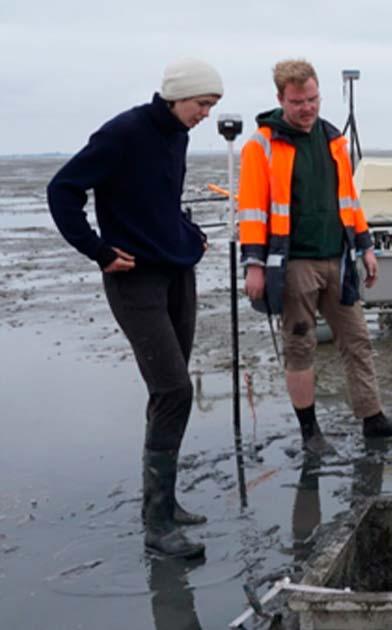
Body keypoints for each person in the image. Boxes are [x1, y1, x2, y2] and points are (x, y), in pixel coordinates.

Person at [46, 59, 224, 558]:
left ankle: (163, 502)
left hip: (176, 272)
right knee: (174, 389)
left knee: (168, 389)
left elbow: (161, 200)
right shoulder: (122, 132)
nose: (206, 115)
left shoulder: (178, 135)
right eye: (202, 104)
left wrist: (189, 234)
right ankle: (157, 526)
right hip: (133, 279)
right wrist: (97, 249)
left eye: (212, 106)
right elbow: (62, 190)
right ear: (176, 96)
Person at [238, 59, 392, 457]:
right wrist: (254, 266)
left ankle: (373, 419)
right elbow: (251, 210)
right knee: (300, 347)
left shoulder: (334, 140)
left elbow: (350, 200)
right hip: (293, 263)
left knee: (358, 341)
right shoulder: (260, 145)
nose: (307, 108)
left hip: (339, 260)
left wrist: (366, 247)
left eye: (313, 99)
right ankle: (309, 431)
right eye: (298, 102)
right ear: (281, 99)